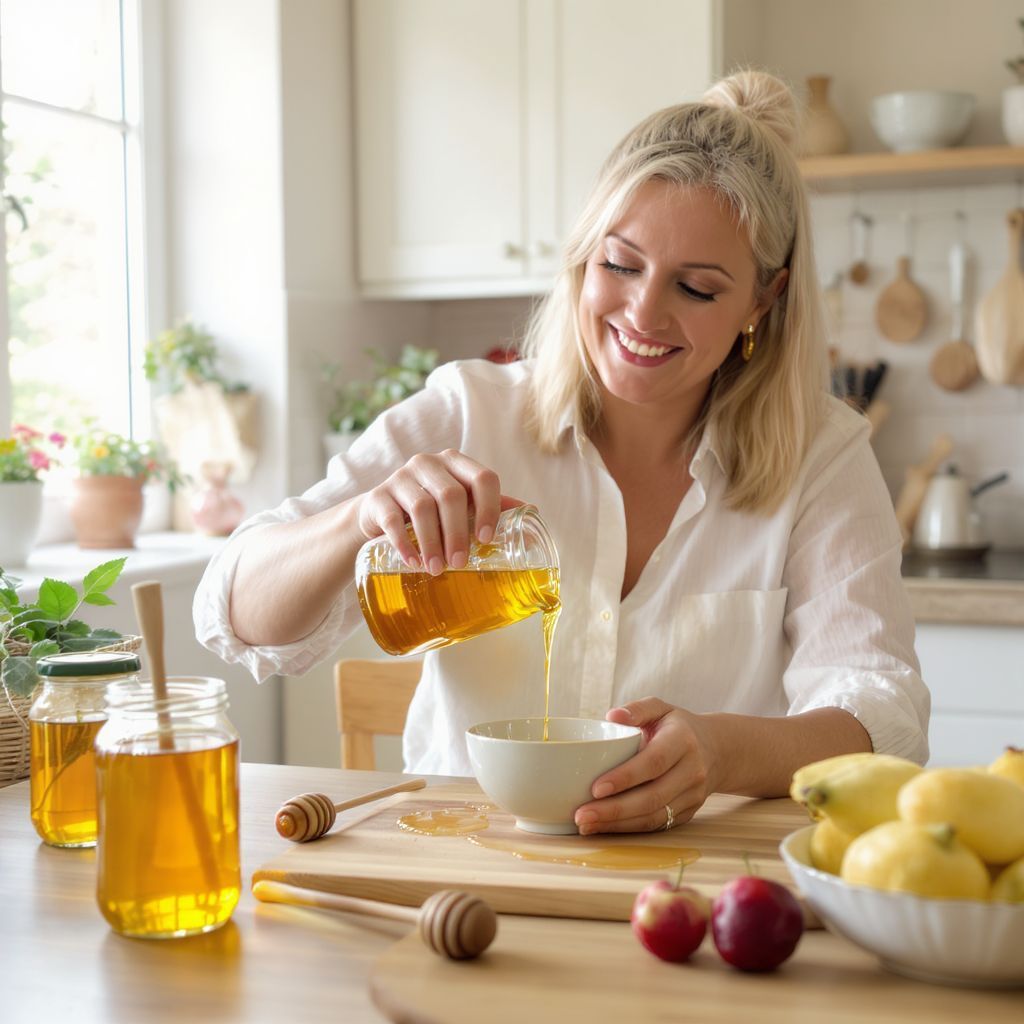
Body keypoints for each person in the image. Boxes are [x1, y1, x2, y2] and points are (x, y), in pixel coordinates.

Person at [194, 70, 929, 835]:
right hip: (461, 865)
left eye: (697, 289)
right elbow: (234, 612)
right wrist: (358, 520)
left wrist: (724, 751)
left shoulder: (822, 455)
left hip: (695, 876)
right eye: (620, 265)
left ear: (763, 299)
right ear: (582, 256)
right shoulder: (468, 413)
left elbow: (884, 712)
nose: (643, 313)